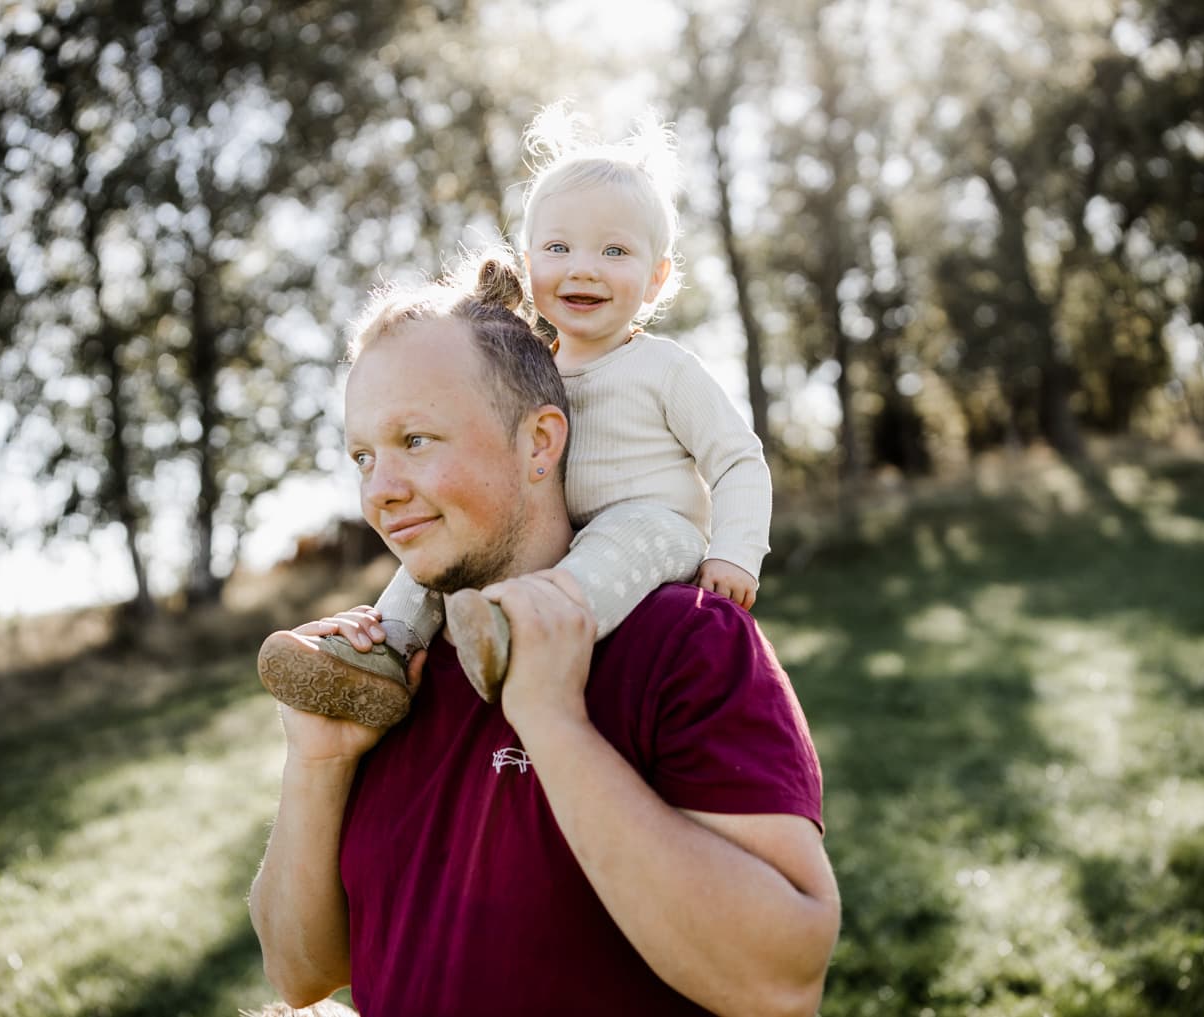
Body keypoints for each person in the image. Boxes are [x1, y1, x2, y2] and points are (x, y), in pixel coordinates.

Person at [246, 258, 839, 1016]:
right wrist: (317, 760)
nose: (379, 491)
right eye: (363, 455)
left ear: (539, 443)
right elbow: (301, 973)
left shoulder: (684, 641)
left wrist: (554, 721)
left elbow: (779, 980)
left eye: (416, 439)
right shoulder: (390, 680)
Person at [257, 104, 771, 718]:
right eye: (559, 247)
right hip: (564, 535)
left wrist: (735, 551)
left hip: (658, 529)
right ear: (530, 268)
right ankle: (381, 655)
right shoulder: (535, 367)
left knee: (621, 535)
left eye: (614, 251)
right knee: (443, 551)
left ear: (657, 279)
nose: (584, 267)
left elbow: (738, 459)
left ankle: (521, 634)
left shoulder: (665, 369)